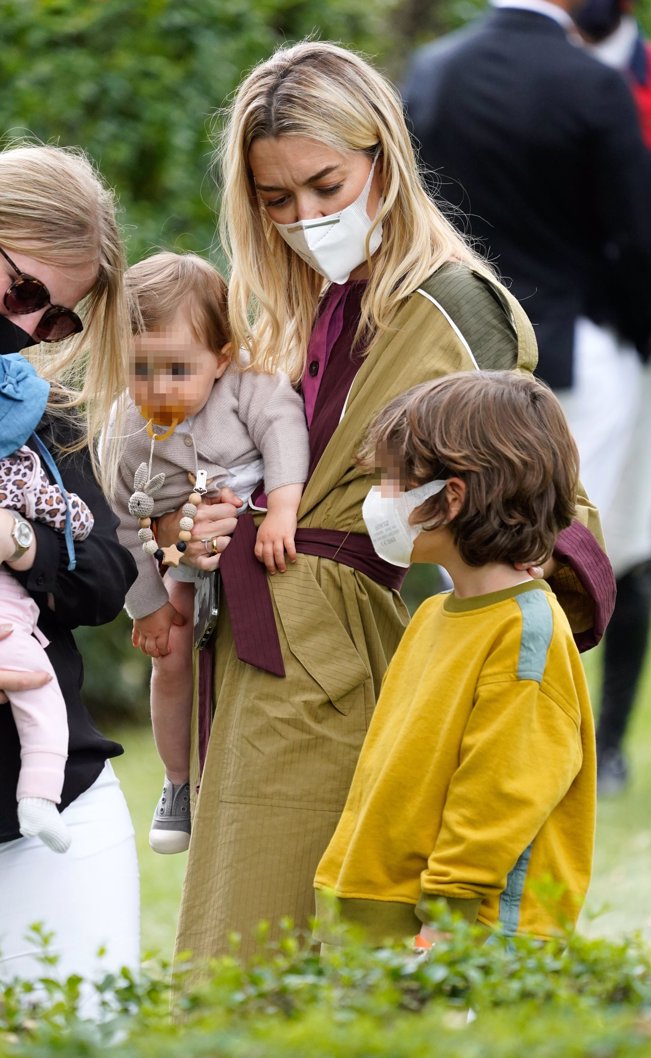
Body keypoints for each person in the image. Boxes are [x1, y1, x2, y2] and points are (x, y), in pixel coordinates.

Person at [157, 40, 614, 965]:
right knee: (245, 955)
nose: (306, 217)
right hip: (266, 642)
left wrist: (508, 621)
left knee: (264, 964)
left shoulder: (453, 305)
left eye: (326, 186)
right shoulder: (300, 300)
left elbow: (540, 488)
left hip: (331, 653)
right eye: (276, 201)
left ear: (384, 159)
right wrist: (201, 527)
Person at [314, 370, 595, 947]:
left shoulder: (526, 632)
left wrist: (442, 923)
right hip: (379, 919)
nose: (377, 501)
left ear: (452, 496)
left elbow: (500, 795)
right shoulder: (433, 616)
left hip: (460, 941)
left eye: (392, 481)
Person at [403, 0, 651, 523]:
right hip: (576, 351)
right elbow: (638, 237)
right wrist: (636, 333)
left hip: (454, 349)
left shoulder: (432, 70)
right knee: (572, 543)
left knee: (460, 542)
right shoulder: (594, 83)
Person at [105, 251, 309, 853]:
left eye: (177, 369)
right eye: (141, 370)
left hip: (258, 537)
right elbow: (122, 522)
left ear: (222, 358)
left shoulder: (249, 385)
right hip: (185, 561)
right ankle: (175, 783)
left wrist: (283, 509)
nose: (157, 388)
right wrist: (147, 607)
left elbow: (285, 433)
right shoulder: (127, 426)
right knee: (170, 658)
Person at [0, 143, 139, 988]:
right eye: (20, 294)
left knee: (98, 1035)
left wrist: (18, 541)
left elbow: (106, 574)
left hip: (51, 803)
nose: (23, 331)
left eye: (52, 320)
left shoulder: (26, 406)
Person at [570, 0, 651, 796]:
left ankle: (609, 746)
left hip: (649, 343)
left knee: (634, 538)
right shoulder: (536, 74)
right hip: (551, 337)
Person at [1, 351, 97, 856]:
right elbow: (76, 520)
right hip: (8, 627)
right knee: (40, 699)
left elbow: (104, 575)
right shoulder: (15, 469)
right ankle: (37, 796)